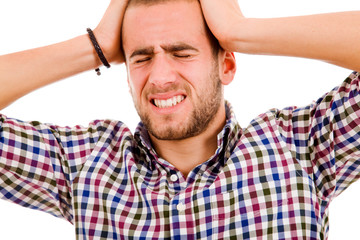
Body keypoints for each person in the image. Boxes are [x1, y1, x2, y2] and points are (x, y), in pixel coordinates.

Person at [1, 0, 360, 239]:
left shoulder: (299, 147)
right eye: (140, 58)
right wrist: (96, 45)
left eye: (181, 53)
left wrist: (239, 31)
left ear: (227, 64)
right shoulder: (86, 165)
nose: (159, 77)